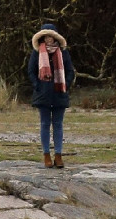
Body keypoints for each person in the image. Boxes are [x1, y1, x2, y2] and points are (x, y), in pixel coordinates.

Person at [29, 24, 75, 169]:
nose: (49, 39)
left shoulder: (63, 53)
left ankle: (59, 155)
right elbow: (30, 71)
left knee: (58, 124)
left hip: (59, 93)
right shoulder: (36, 53)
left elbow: (70, 72)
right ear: (43, 37)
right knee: (44, 124)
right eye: (46, 36)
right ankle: (46, 155)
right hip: (42, 94)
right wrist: (38, 86)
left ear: (55, 38)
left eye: (51, 36)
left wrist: (64, 85)